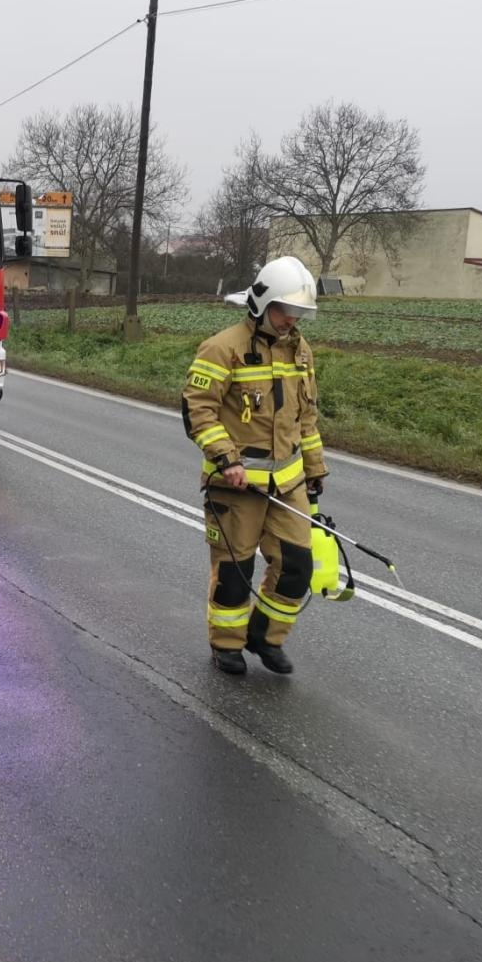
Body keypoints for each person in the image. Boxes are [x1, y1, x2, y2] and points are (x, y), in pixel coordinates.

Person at [183, 255, 328, 676]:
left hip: (288, 484)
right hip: (237, 485)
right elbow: (198, 411)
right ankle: (226, 644)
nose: (291, 320)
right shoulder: (222, 347)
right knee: (234, 570)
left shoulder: (301, 351)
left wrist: (315, 468)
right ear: (263, 304)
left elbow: (307, 418)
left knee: (297, 567)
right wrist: (226, 459)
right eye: (286, 310)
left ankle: (264, 636)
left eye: (299, 312)